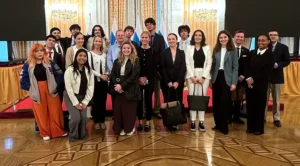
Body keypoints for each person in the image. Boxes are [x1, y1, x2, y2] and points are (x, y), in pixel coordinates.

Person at [20, 43, 67, 140]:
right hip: (36, 90)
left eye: (41, 51)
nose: (40, 53)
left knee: (55, 110)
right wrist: (30, 88)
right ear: (33, 53)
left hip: (51, 89)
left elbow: (59, 73)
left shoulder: (50, 61)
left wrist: (56, 85)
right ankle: (45, 132)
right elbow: (23, 78)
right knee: (41, 112)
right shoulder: (27, 64)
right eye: (37, 51)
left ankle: (58, 131)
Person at [245, 35, 275, 135]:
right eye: (259, 40)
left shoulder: (270, 54)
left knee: (259, 106)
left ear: (268, 42)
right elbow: (247, 67)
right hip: (249, 84)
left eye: (263, 40)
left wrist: (254, 79)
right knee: (250, 106)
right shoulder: (252, 52)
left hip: (261, 84)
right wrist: (248, 78)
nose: (260, 42)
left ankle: (258, 128)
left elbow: (267, 71)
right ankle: (250, 127)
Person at [211, 30, 238, 135]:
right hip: (216, 77)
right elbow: (213, 66)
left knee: (224, 102)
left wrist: (234, 82)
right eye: (221, 37)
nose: (223, 39)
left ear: (229, 38)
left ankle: (224, 125)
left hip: (227, 78)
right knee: (216, 102)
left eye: (225, 37)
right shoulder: (216, 50)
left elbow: (235, 67)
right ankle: (217, 124)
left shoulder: (233, 50)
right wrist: (210, 79)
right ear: (219, 39)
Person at [110, 41, 140, 136]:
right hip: (119, 89)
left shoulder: (136, 60)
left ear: (131, 49)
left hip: (130, 89)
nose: (126, 50)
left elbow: (134, 76)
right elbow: (113, 75)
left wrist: (122, 86)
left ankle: (129, 128)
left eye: (128, 48)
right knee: (119, 111)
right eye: (124, 48)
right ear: (121, 49)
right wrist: (117, 86)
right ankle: (121, 128)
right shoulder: (117, 61)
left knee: (129, 111)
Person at [64, 49, 94, 141]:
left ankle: (82, 135)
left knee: (84, 117)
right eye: (80, 55)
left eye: (84, 56)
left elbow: (90, 87)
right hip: (71, 96)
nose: (82, 58)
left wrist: (85, 102)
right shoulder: (70, 70)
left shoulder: (89, 70)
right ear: (76, 57)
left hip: (83, 97)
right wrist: (75, 103)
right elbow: (68, 88)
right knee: (76, 118)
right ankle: (73, 136)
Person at [185, 30, 212, 132]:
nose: (197, 37)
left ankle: (201, 121)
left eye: (200, 35)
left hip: (204, 75)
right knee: (192, 98)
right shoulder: (189, 47)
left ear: (202, 37)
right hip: (191, 75)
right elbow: (187, 63)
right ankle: (192, 121)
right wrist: (192, 77)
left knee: (201, 98)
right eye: (196, 35)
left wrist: (203, 77)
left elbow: (209, 63)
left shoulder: (207, 47)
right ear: (193, 37)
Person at [160, 33, 187, 131]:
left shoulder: (182, 53)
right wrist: (168, 82)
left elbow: (183, 68)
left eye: (173, 39)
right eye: (169, 39)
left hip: (178, 83)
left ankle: (176, 121)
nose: (171, 41)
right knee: (168, 101)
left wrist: (178, 82)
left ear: (176, 40)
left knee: (177, 100)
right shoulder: (164, 53)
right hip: (166, 83)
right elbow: (162, 68)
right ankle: (169, 121)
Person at [265, 30, 290, 127]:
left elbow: (287, 61)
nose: (273, 37)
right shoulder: (264, 46)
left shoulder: (284, 47)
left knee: (276, 100)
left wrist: (278, 65)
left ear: (278, 36)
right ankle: (262, 118)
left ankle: (276, 119)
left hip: (277, 77)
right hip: (265, 77)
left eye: (275, 35)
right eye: (271, 35)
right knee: (264, 99)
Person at [137, 31, 158, 132]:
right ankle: (140, 122)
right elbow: (135, 66)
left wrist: (147, 78)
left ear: (149, 39)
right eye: (143, 37)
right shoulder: (136, 50)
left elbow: (155, 68)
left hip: (150, 80)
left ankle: (148, 121)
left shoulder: (154, 51)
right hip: (138, 80)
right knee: (139, 100)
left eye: (146, 37)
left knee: (148, 100)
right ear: (140, 39)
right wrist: (139, 78)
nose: (144, 39)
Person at [144, 17, 166, 119]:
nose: (149, 25)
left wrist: (158, 68)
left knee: (157, 91)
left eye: (151, 24)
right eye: (147, 24)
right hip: (146, 70)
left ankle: (157, 110)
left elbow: (162, 54)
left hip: (157, 69)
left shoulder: (160, 38)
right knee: (146, 91)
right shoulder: (143, 37)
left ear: (154, 25)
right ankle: (145, 110)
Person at [88, 36, 109, 130]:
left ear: (102, 43)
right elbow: (89, 68)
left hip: (104, 82)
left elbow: (108, 67)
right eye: (96, 41)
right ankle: (96, 121)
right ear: (93, 42)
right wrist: (100, 75)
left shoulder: (105, 54)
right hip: (94, 81)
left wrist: (106, 75)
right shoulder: (89, 54)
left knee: (103, 101)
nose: (97, 43)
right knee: (95, 102)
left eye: (99, 41)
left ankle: (102, 120)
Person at [230, 30, 249, 124]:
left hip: (241, 80)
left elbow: (248, 66)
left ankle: (237, 117)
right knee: (229, 99)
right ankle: (229, 116)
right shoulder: (229, 49)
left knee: (238, 99)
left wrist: (243, 76)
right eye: (238, 36)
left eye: (241, 37)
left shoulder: (246, 51)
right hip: (229, 79)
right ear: (234, 37)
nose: (239, 38)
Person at [45, 35, 65, 102]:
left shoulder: (59, 56)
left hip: (56, 83)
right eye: (49, 40)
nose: (51, 42)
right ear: (46, 41)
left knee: (57, 102)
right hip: (43, 82)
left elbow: (61, 69)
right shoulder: (39, 53)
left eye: (53, 41)